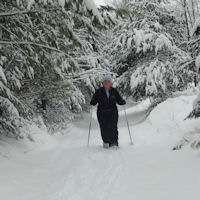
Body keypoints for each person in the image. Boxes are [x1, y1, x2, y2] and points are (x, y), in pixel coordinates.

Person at [90, 75, 126, 148]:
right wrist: (93, 102)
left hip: (113, 112)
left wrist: (122, 101)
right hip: (102, 112)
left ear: (111, 83)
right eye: (105, 81)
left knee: (113, 127)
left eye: (108, 81)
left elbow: (119, 100)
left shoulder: (114, 91)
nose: (106, 83)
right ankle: (106, 142)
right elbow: (94, 100)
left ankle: (114, 142)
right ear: (103, 83)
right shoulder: (99, 91)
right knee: (104, 127)